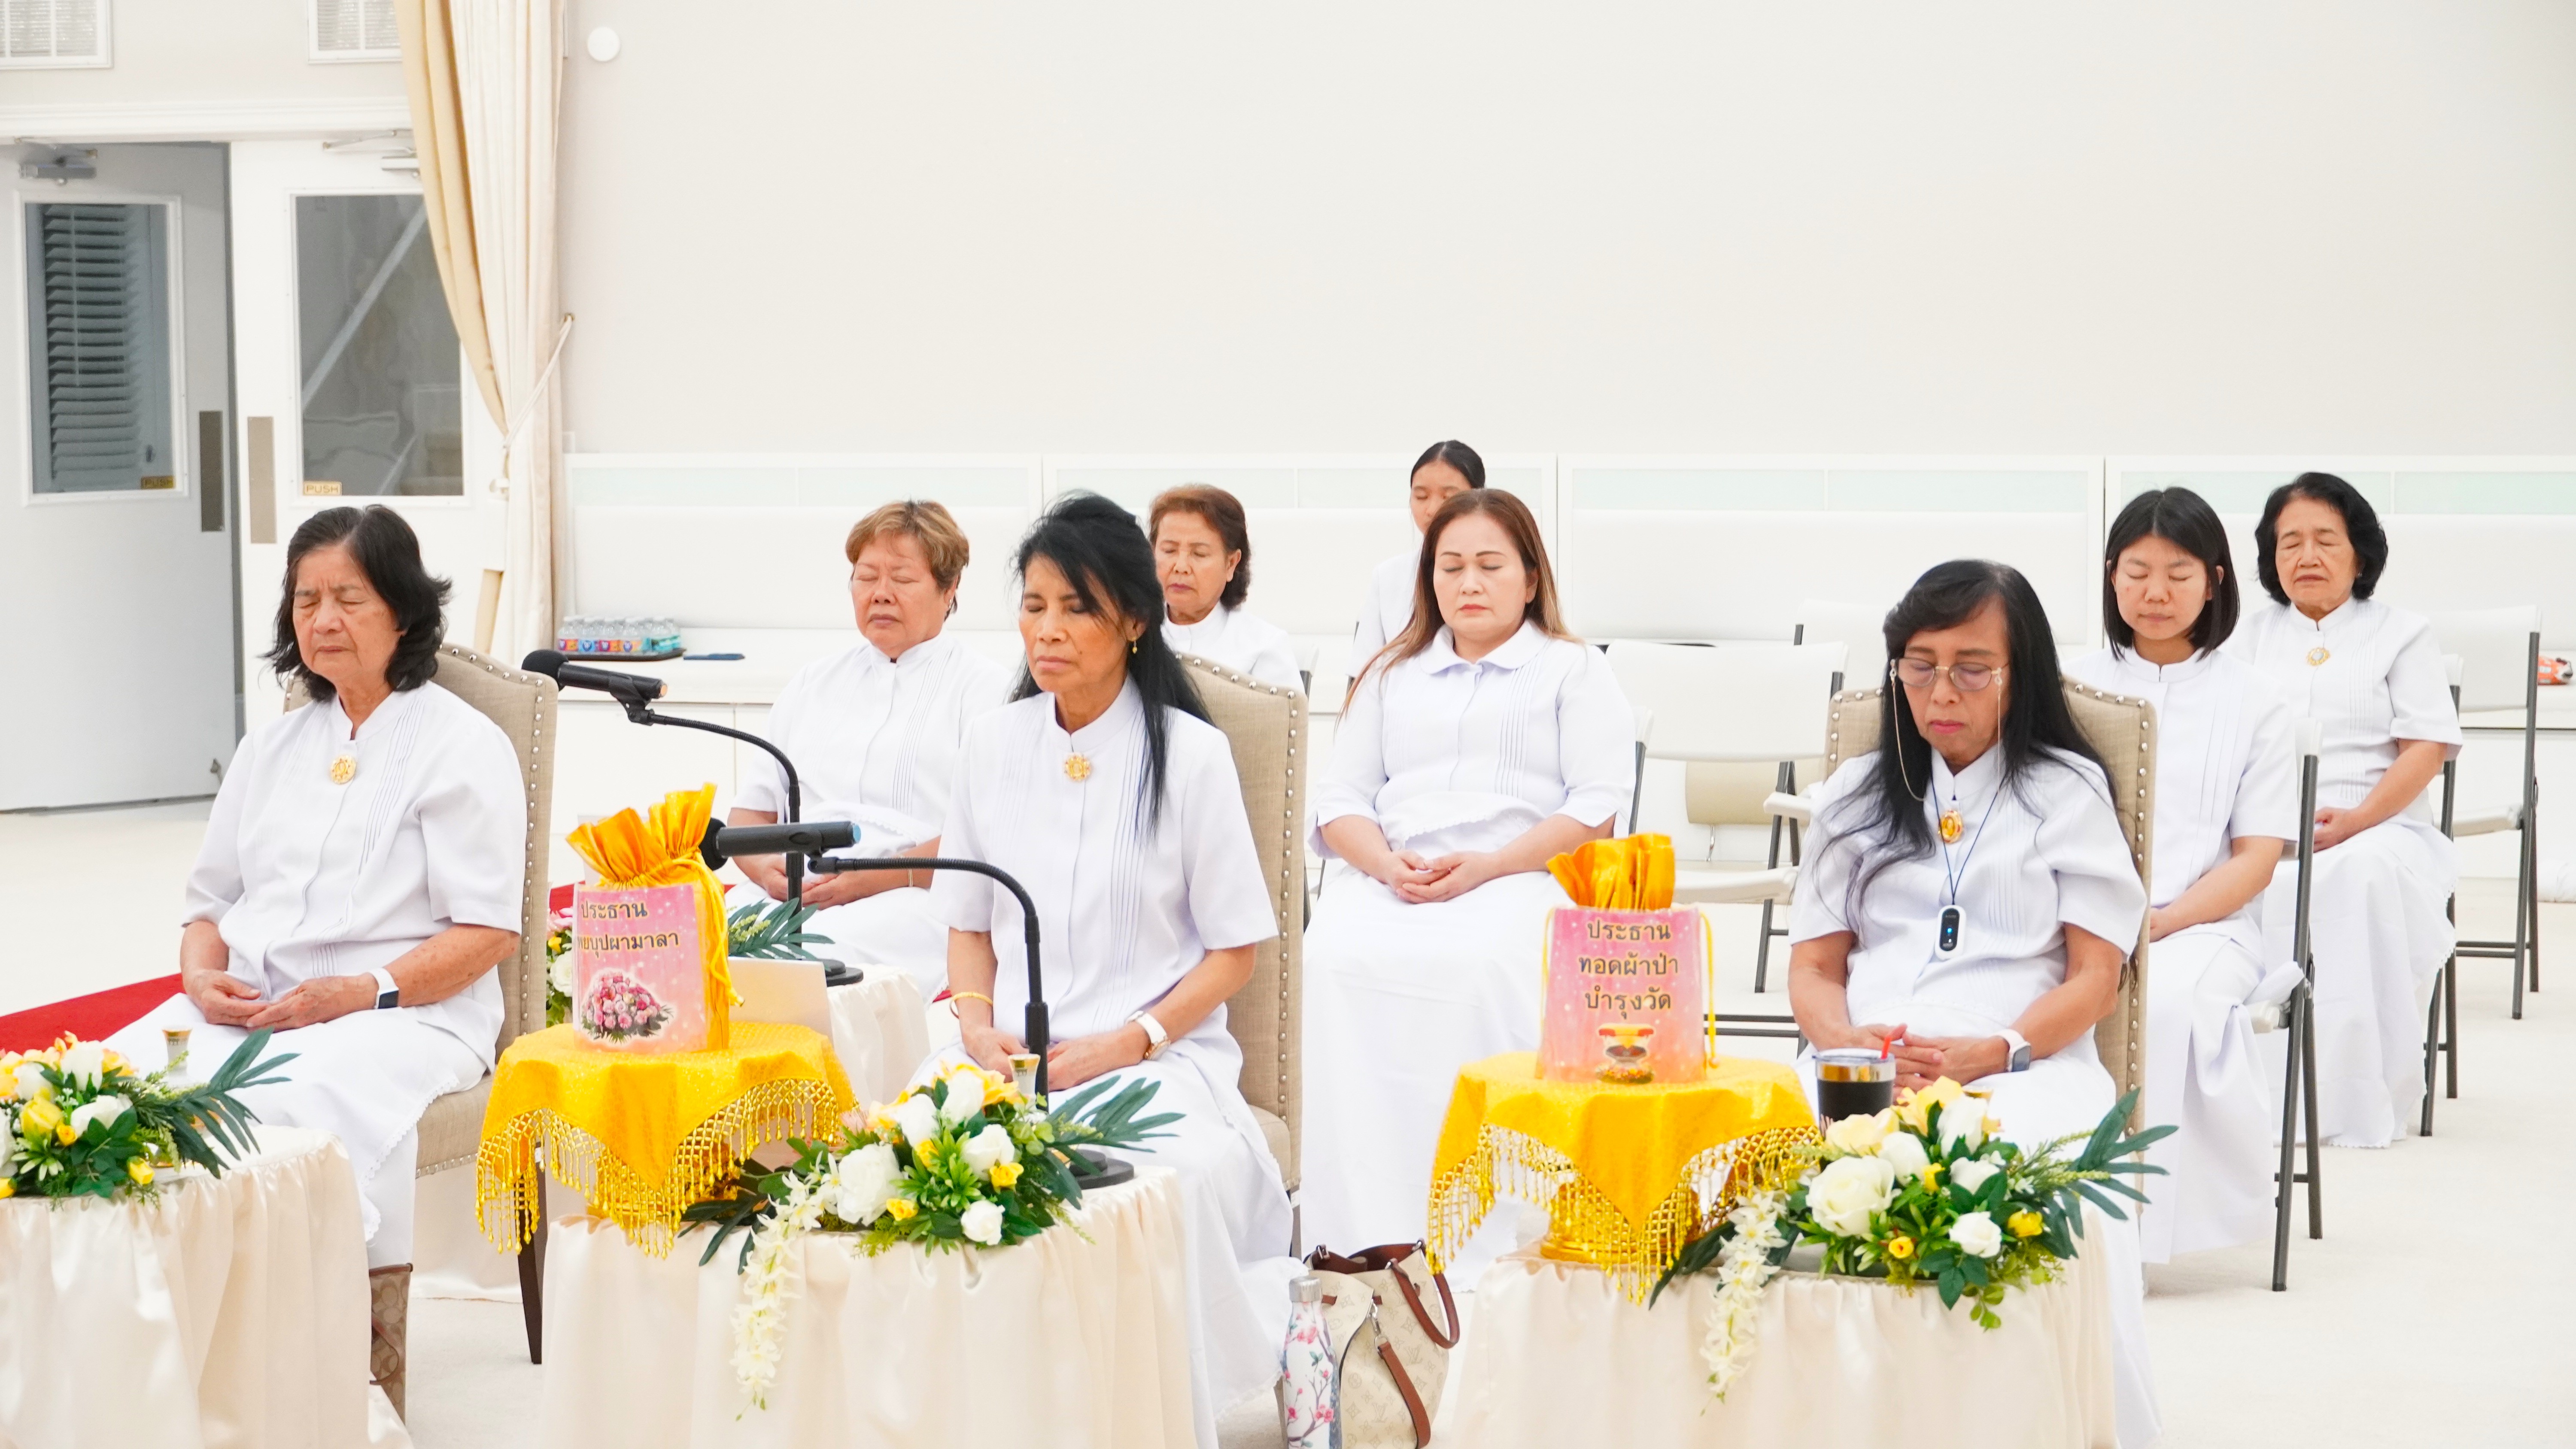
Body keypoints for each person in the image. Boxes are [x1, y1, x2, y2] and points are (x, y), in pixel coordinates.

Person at [108, 505, 526, 1402]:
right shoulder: (273, 746)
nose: (322, 619)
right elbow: (209, 902)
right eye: (306, 600)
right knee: (118, 1083)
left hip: (406, 1011)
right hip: (252, 1000)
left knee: (286, 1101)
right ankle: (146, 1349)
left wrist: (359, 991)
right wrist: (196, 973)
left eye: (348, 597)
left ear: (404, 612)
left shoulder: (462, 744)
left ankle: (314, 1372)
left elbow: (488, 930)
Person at [932, 492, 1296, 1433]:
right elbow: (967, 924)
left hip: (1158, 1061)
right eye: (1035, 604)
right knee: (918, 1177)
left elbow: (1234, 952)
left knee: (1152, 1186)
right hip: (1002, 1060)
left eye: (1077, 607)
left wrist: (1126, 1039)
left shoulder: (1194, 758)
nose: (1047, 630)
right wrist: (975, 1028)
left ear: (1135, 620)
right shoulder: (989, 744)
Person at [1786, 560, 2156, 1448]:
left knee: (2010, 1180)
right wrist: (1850, 1050)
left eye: (1971, 666)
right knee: (1755, 1160)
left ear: (2017, 673)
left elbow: (2094, 978)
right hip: (1861, 1058)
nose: (1940, 689)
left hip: (2026, 1063)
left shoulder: (2065, 791)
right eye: (1920, 664)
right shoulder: (1851, 798)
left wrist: (1991, 1051)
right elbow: (1814, 969)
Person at [1300, 489, 1634, 1258]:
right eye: (1450, 566)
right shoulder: (1391, 673)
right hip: (1396, 876)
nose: (1469, 583)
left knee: (1479, 964)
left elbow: (1597, 808)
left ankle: (1486, 1235)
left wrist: (1487, 865)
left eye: (1490, 565)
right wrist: (1385, 864)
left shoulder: (1572, 670)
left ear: (1530, 577)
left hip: (1521, 872)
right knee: (1331, 957)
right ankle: (1354, 1235)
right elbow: (1341, 800)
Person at [2068, 488, 2296, 1263]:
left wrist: (2158, 923)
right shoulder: (2068, 685)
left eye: (2178, 573)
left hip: (2204, 924)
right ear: (2110, 577)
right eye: (2136, 572)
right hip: (2074, 913)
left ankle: (2134, 1240)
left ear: (2216, 582)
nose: (2155, 593)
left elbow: (2256, 858)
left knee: (2158, 1004)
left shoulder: (2258, 700)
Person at [2224, 473, 2461, 1147]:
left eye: (2326, 540)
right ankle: (2257, 1101)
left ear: (2360, 552)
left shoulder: (2402, 633)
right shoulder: (2249, 637)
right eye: (2289, 542)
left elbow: (2427, 747)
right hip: (2270, 829)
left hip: (2380, 829)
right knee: (2247, 881)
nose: (2306, 556)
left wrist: (2356, 822)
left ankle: (2353, 1103)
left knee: (2349, 879)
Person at [728, 501, 1010, 995]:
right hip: (798, 886)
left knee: (814, 956)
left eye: (902, 579)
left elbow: (991, 838)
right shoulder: (813, 682)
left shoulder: (987, 691)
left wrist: (874, 878)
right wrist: (765, 870)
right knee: (706, 941)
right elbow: (747, 818)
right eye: (866, 577)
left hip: (912, 892)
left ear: (949, 590)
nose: (880, 594)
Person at [1151, 485, 1302, 691]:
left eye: (1199, 554)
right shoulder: (1131, 634)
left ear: (1231, 563)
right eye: (1169, 551)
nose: (1181, 567)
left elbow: (1283, 723)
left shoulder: (1263, 647)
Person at [1349, 440, 1482, 660]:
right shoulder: (1388, 576)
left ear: (1479, 497)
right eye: (1421, 497)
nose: (1432, 510)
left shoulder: (1501, 575)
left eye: (1448, 497)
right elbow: (1363, 673)